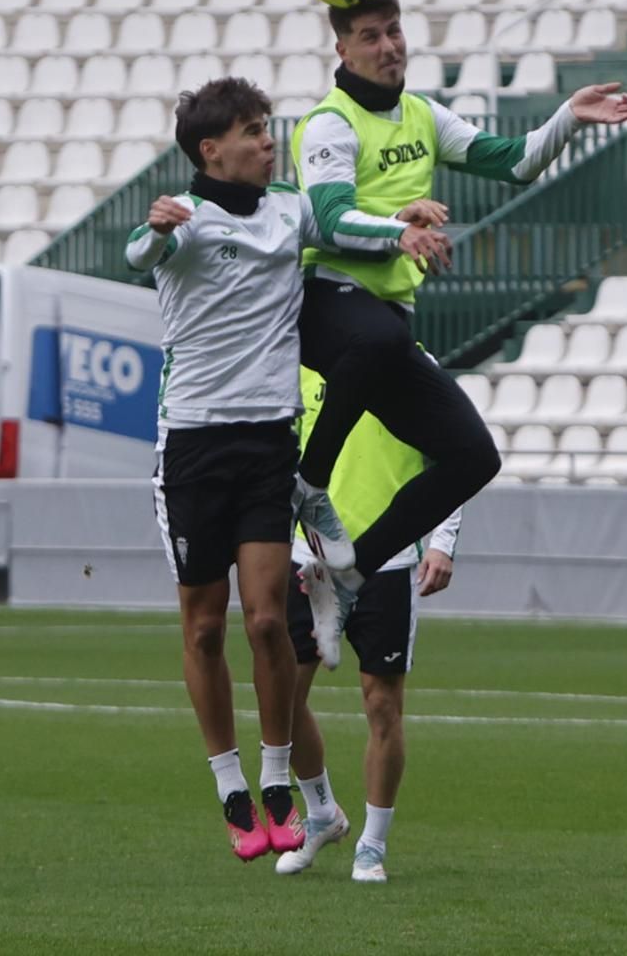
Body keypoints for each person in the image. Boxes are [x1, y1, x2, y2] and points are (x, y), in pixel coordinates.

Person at [128, 78, 439, 859]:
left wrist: (397, 225)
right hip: (194, 444)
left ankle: (275, 777)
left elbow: (342, 226)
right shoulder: (185, 222)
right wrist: (156, 227)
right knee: (203, 629)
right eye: (254, 131)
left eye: (269, 128)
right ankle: (228, 781)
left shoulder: (291, 208)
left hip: (269, 439)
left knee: (268, 619)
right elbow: (142, 252)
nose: (270, 142)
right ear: (212, 150)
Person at [292, 0, 627, 616]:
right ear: (342, 48)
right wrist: (400, 229)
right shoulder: (329, 122)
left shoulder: (424, 116)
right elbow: (331, 218)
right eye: (370, 36)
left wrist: (568, 114)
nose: (389, 45)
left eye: (394, 30)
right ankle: (308, 483)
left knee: (473, 457)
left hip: (383, 325)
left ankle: (345, 578)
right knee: (382, 337)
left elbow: (516, 162)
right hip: (329, 307)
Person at [275, 359, 460, 884]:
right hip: (307, 557)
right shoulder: (300, 368)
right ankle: (322, 814)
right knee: (283, 696)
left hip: (389, 559)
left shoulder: (414, 365)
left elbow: (451, 456)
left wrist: (442, 541)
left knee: (382, 704)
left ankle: (372, 846)